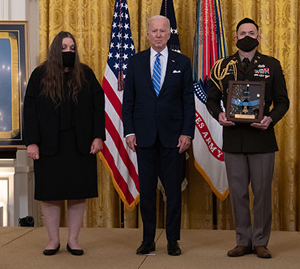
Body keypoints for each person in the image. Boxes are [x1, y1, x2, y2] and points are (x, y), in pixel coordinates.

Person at [207, 18, 289, 259]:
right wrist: (218, 114)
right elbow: (212, 99)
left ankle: (261, 241)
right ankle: (243, 240)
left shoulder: (272, 65)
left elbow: (283, 101)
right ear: (235, 38)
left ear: (259, 37)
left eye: (251, 32)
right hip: (233, 138)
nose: (246, 36)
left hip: (262, 138)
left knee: (262, 192)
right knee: (238, 192)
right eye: (242, 33)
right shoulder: (222, 66)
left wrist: (270, 119)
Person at [23, 31, 105, 256]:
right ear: (54, 50)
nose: (68, 51)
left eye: (72, 48)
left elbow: (99, 106)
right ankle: (52, 241)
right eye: (64, 47)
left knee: (77, 193)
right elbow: (29, 111)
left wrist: (98, 136)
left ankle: (74, 241)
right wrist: (31, 142)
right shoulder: (40, 75)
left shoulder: (85, 73)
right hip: (48, 145)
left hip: (80, 144)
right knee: (50, 194)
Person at [122, 15, 195, 256]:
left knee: (173, 192)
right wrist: (129, 131)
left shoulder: (182, 63)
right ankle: (148, 239)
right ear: (147, 34)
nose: (158, 35)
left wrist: (187, 133)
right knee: (148, 192)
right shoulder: (135, 62)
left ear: (169, 33)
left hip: (173, 138)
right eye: (154, 31)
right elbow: (129, 100)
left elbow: (187, 101)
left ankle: (173, 240)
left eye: (163, 31)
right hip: (143, 137)